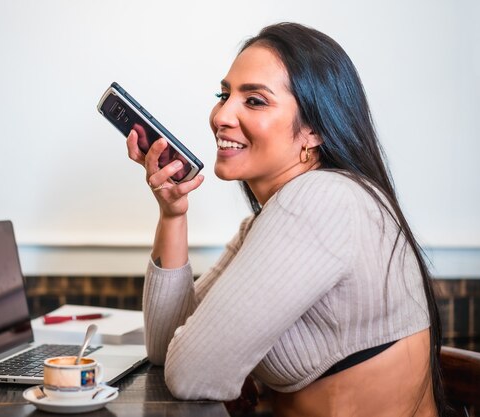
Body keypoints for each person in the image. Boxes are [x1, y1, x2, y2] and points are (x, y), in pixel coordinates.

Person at [125, 22, 447, 416]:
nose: (222, 115)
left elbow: (192, 375)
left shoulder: (321, 201)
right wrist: (172, 215)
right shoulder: (273, 218)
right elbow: (163, 351)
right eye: (223, 95)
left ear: (313, 130)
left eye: (255, 101)